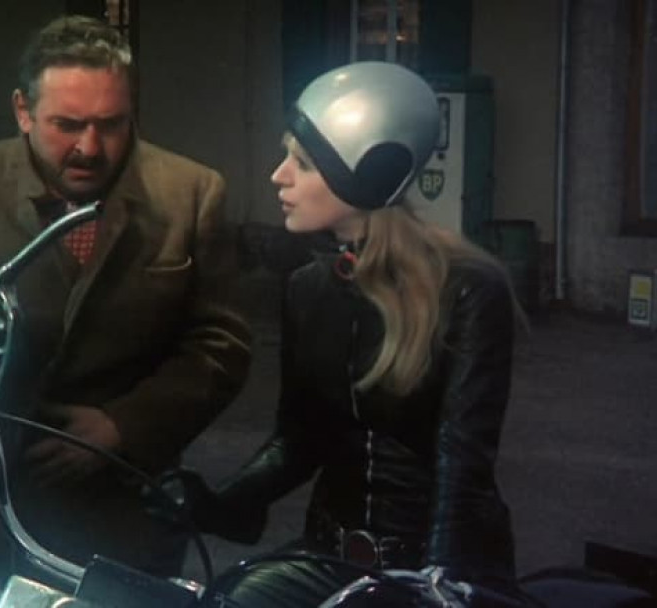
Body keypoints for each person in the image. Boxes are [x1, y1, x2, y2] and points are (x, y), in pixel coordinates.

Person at [0, 14, 252, 607]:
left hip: (123, 512)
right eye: (67, 125)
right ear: (23, 111)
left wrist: (123, 427)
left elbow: (222, 343)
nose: (90, 148)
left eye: (111, 124)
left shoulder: (189, 193)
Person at [172, 61, 530, 606]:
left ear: (369, 174)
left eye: (303, 162)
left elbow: (463, 462)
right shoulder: (308, 287)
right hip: (329, 556)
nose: (278, 176)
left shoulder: (469, 288)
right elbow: (299, 440)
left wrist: (438, 583)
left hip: (438, 569)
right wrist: (217, 503)